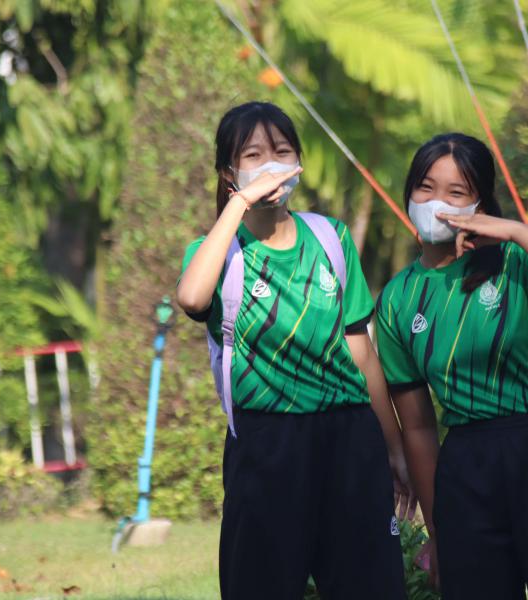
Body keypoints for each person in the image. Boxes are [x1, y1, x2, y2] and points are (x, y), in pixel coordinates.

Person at [176, 101, 413, 600]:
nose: (270, 166)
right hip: (268, 444)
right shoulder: (218, 253)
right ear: (229, 172)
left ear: (299, 162)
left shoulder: (331, 238)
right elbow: (193, 298)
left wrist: (392, 447)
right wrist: (238, 206)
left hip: (349, 438)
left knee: (370, 585)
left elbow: (362, 353)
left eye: (282, 152)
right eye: (253, 156)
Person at [376, 132, 528, 599]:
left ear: (480, 205)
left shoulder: (515, 262)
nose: (436, 203)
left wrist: (517, 232)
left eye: (456, 192)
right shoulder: (396, 300)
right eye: (425, 187)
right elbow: (419, 429)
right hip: (468, 465)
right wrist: (438, 532)